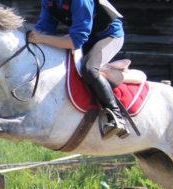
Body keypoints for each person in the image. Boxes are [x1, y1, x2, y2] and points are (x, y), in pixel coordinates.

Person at [28, 0, 129, 139]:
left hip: (109, 36)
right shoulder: (48, 1)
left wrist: (42, 38)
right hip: (86, 38)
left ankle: (117, 117)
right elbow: (45, 27)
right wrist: (31, 37)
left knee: (89, 69)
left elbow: (75, 42)